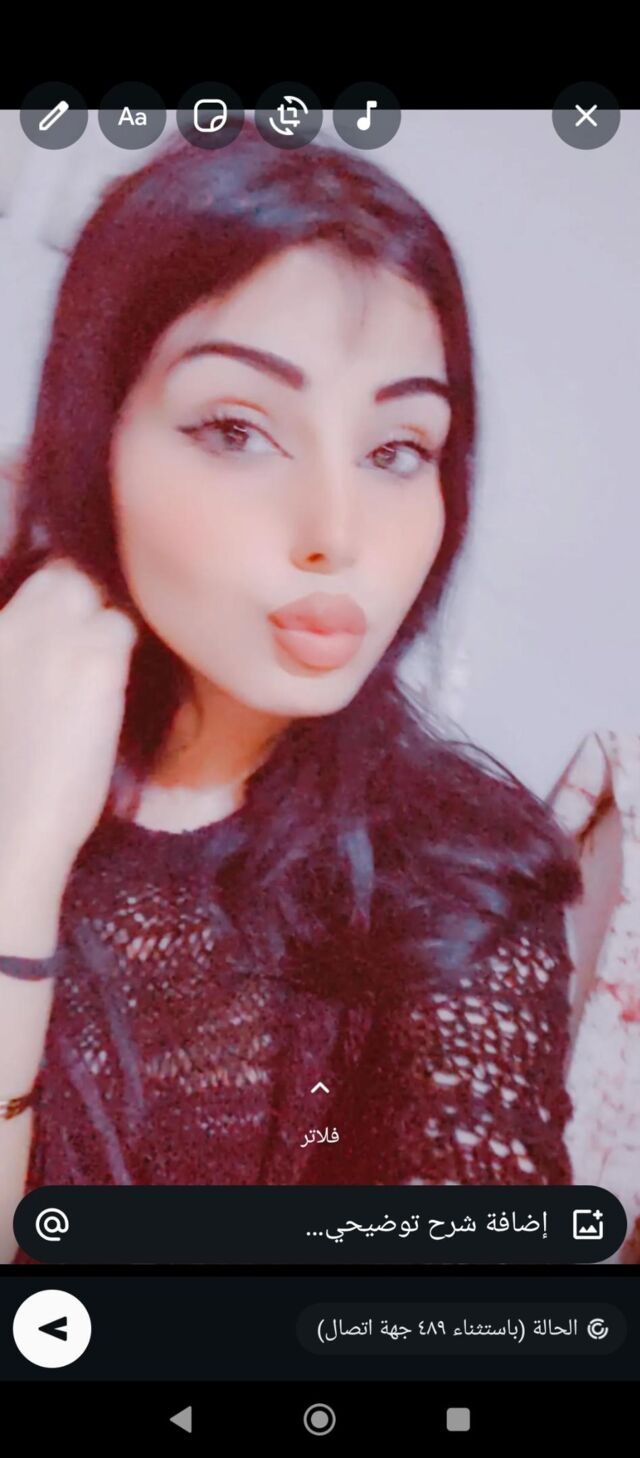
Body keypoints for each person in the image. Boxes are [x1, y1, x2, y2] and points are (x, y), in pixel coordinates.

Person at [0, 121, 582, 1265]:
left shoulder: (458, 880)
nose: (337, 533)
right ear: (94, 438)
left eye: (396, 450)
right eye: (237, 429)